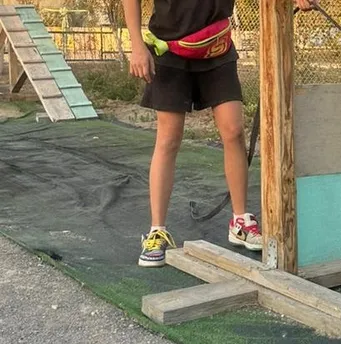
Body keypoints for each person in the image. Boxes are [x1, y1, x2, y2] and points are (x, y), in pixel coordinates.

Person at [122, 0, 317, 267]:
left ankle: (240, 221)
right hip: (169, 50)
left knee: (234, 131)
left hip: (216, 47)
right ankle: (157, 230)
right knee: (169, 139)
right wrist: (136, 45)